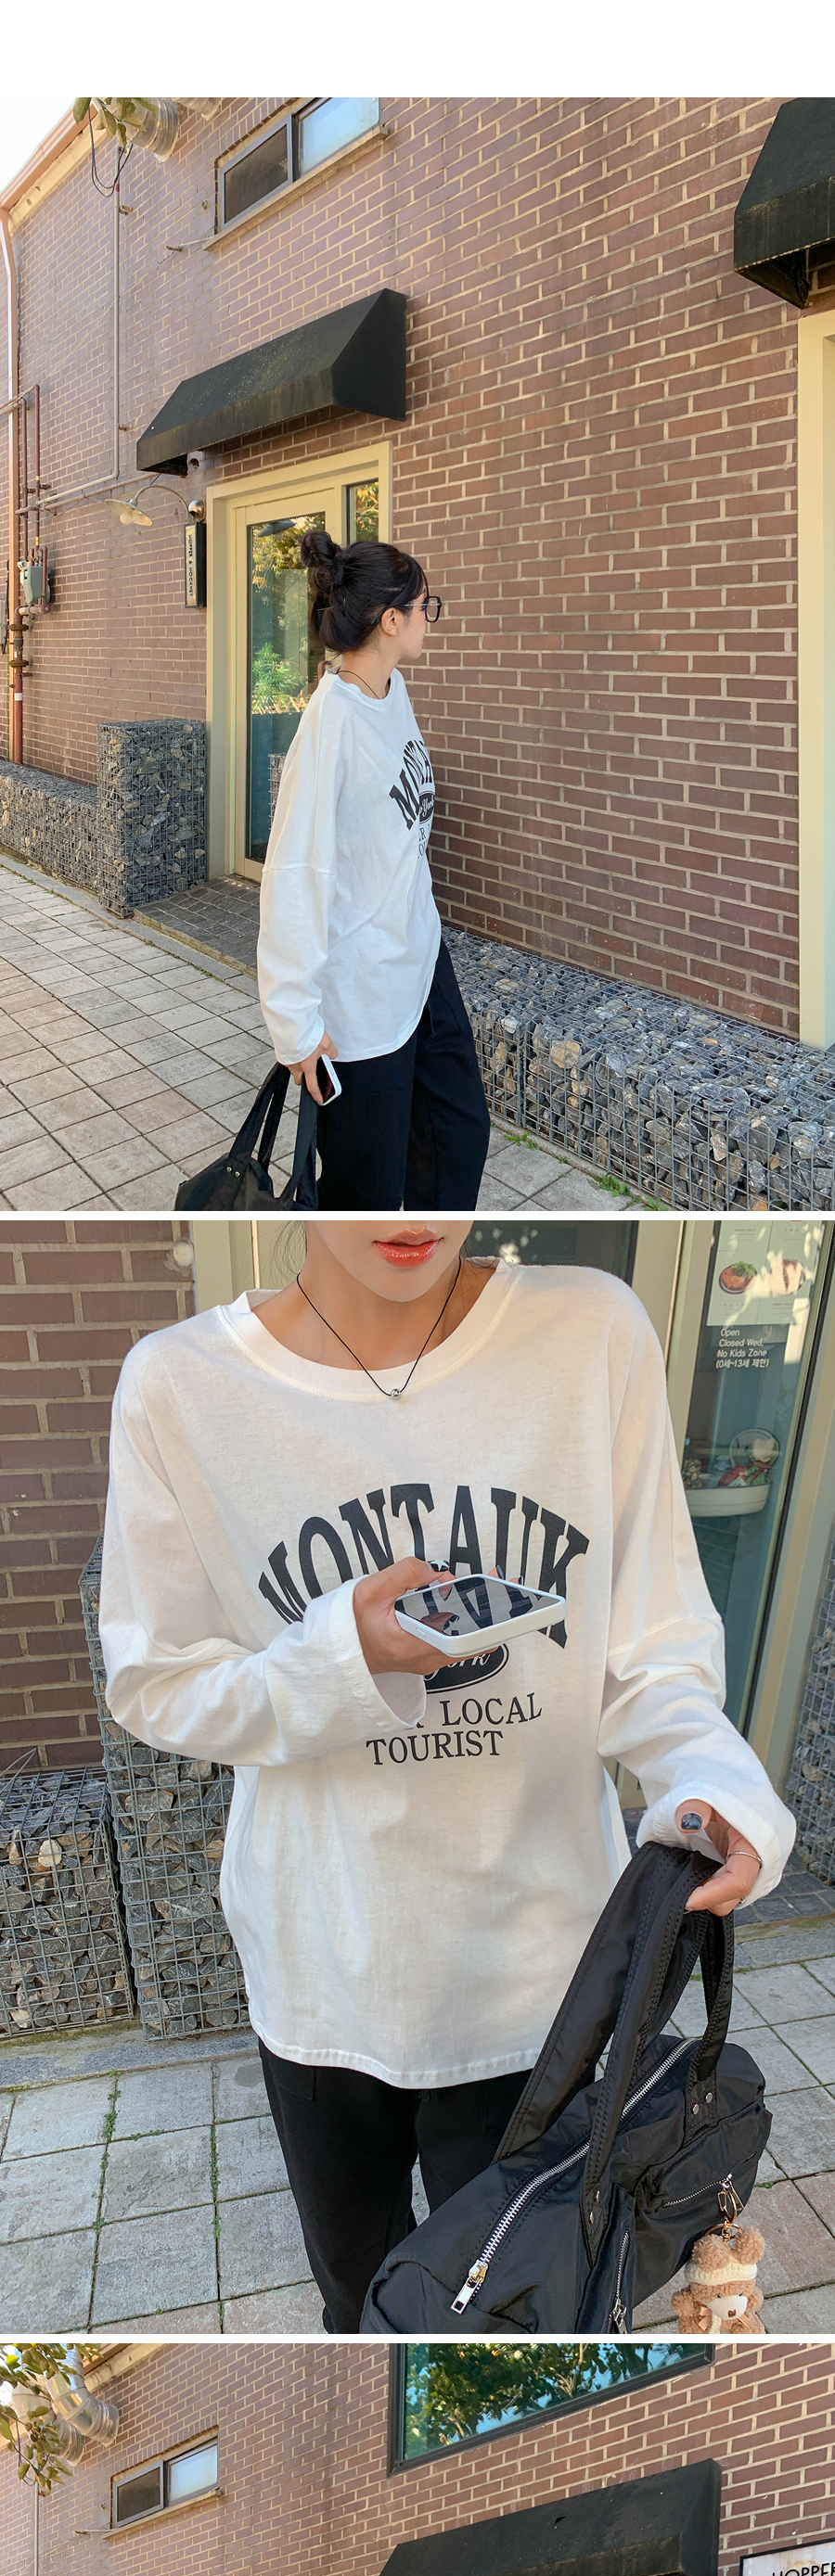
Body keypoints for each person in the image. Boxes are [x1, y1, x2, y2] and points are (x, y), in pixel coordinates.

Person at [98, 1216, 795, 2329]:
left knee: (528, 2316)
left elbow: (651, 1651)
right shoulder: (180, 1386)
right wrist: (345, 1658)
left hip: (541, 1978)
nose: (405, 1210)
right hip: (326, 1968)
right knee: (361, 2312)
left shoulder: (590, 1335)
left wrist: (715, 1785)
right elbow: (157, 1681)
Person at [256, 528, 491, 1210]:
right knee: (368, 1190)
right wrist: (295, 1024)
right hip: (360, 999)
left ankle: (427, 1265)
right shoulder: (331, 725)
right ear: (390, 620)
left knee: (458, 1136)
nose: (428, 619)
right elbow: (295, 873)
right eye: (423, 607)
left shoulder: (393, 693)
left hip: (419, 964)